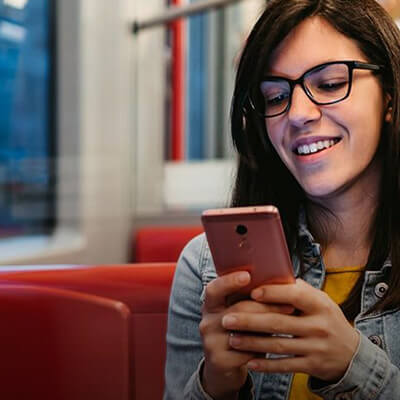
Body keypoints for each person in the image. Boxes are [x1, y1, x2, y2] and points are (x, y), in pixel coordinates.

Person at [163, 0, 400, 398]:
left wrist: (354, 368)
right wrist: (216, 384)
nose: (297, 114)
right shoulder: (205, 268)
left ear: (390, 98)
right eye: (275, 97)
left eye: (328, 84)